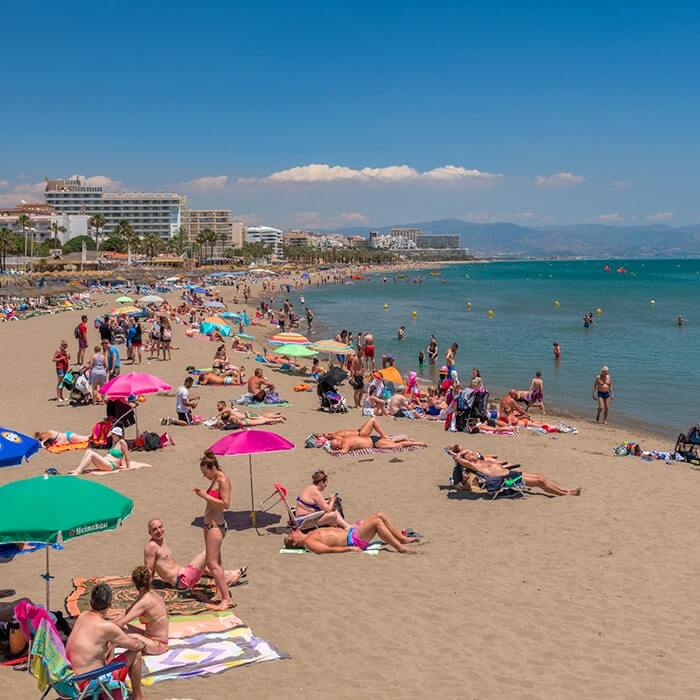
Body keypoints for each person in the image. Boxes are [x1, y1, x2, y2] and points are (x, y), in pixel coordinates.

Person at [65, 583, 145, 700]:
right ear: (110, 605)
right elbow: (135, 645)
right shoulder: (107, 627)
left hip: (71, 678)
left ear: (91, 602)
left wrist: (112, 642)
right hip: (90, 680)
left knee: (108, 646)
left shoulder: (83, 616)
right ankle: (139, 697)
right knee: (136, 654)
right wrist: (142, 643)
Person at [144, 518, 246, 591]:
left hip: (183, 574)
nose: (158, 531)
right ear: (150, 532)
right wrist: (147, 589)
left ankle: (227, 576)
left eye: (160, 527)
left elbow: (163, 565)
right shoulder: (151, 546)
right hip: (182, 580)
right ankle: (221, 533)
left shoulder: (161, 540)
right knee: (209, 551)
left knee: (207, 565)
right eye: (154, 529)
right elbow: (149, 569)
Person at [448, 447, 581, 497]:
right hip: (506, 480)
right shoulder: (474, 465)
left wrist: (470, 453)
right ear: (467, 459)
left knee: (541, 476)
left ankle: (565, 490)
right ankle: (566, 494)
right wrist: (461, 454)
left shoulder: (481, 460)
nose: (473, 453)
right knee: (540, 482)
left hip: (510, 474)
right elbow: (458, 458)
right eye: (470, 454)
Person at [195, 451, 234, 610]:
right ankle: (220, 593)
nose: (205, 476)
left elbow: (226, 504)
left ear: (212, 468)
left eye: (205, 473)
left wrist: (205, 496)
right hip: (209, 525)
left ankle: (226, 599)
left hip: (216, 526)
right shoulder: (216, 479)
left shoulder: (223, 480)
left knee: (211, 564)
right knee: (217, 562)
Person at [284, 512, 419, 554]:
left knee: (380, 515)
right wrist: (349, 548)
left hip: (351, 533)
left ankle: (401, 538)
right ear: (295, 542)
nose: (294, 531)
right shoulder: (309, 541)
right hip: (353, 540)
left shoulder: (309, 535)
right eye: (292, 534)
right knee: (377, 522)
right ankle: (400, 547)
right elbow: (325, 550)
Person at [111, 566, 169, 655]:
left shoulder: (145, 601)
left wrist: (102, 628)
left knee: (118, 636)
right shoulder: (150, 595)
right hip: (149, 637)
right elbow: (126, 613)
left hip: (158, 645)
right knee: (118, 629)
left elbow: (121, 623)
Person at [70, 426, 151, 474]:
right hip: (106, 462)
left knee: (91, 453)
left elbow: (126, 454)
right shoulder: (114, 442)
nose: (112, 435)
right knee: (88, 451)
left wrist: (128, 466)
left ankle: (78, 471)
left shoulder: (122, 442)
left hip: (110, 465)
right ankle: (78, 469)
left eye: (113, 434)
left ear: (118, 435)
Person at [327, 418, 427, 453]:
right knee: (393, 443)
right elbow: (342, 450)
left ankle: (417, 443)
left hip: (374, 441)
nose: (337, 440)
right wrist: (334, 449)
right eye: (336, 442)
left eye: (336, 440)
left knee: (395, 445)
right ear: (338, 446)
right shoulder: (344, 444)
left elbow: (342, 450)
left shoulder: (344, 442)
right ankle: (410, 440)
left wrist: (331, 448)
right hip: (373, 441)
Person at [211, 400, 285, 428]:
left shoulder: (228, 410)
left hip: (248, 416)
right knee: (263, 416)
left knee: (263, 419)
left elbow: (223, 413)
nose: (217, 407)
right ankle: (277, 415)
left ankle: (278, 418)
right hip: (247, 416)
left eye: (218, 405)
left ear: (223, 405)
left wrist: (215, 416)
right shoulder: (230, 413)